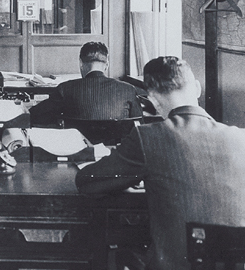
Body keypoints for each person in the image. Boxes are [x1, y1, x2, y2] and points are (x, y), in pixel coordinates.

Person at [75, 56, 245, 270]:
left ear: (153, 102)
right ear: (198, 88)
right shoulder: (241, 138)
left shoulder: (148, 137)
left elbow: (87, 181)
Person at [30, 41, 143, 126]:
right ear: (107, 65)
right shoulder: (129, 90)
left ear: (80, 63)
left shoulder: (65, 89)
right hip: (115, 152)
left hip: (78, 153)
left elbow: (35, 115)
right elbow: (139, 123)